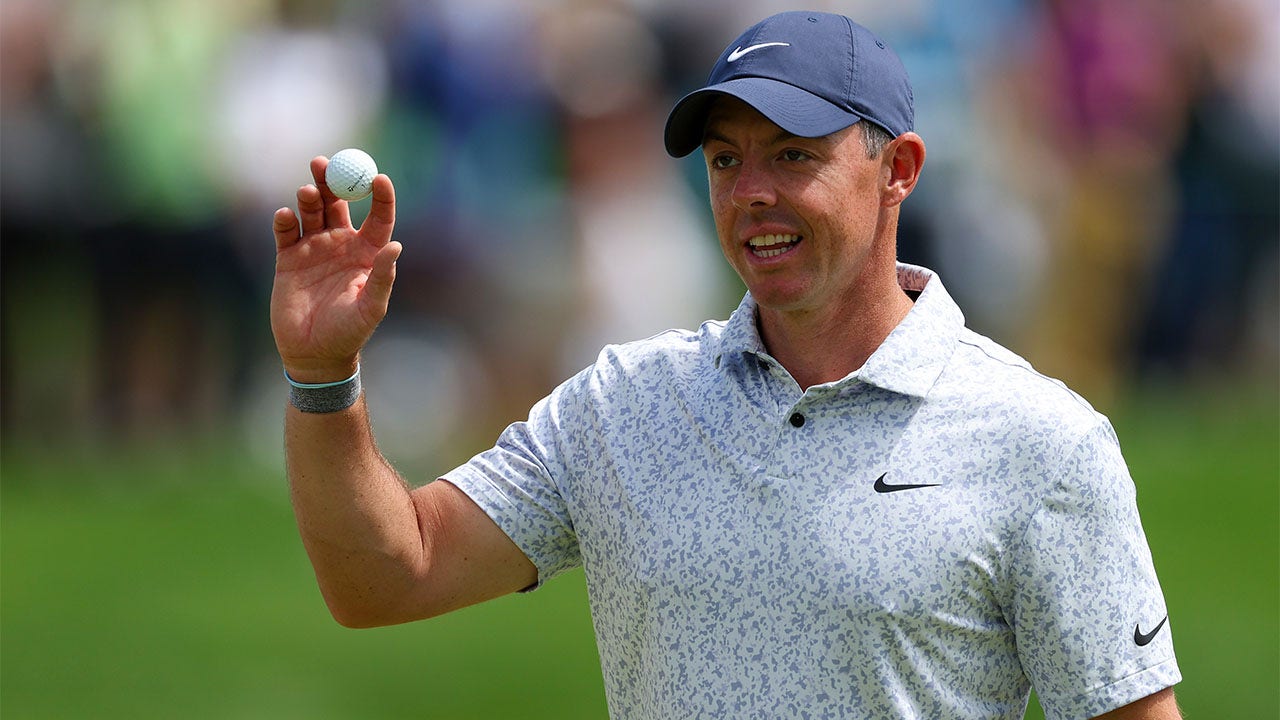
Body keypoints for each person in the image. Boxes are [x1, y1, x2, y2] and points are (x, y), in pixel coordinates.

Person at [269, 11, 1182, 719]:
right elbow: (388, 576)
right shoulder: (622, 405)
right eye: (724, 160)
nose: (752, 194)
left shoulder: (1040, 442)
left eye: (793, 156)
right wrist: (323, 376)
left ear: (897, 168)